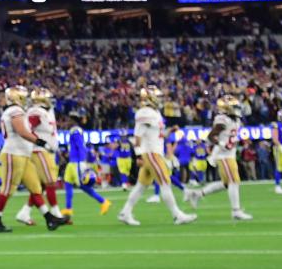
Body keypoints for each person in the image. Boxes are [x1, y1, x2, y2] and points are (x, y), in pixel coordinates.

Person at [0, 86, 67, 233]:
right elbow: (22, 131)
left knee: (35, 186)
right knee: (7, 189)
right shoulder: (15, 111)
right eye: (23, 97)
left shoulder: (18, 110)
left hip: (23, 154)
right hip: (14, 153)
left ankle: (49, 218)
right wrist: (41, 142)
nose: (27, 100)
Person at [117, 87, 196, 227]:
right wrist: (139, 155)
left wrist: (170, 130)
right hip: (151, 154)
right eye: (157, 97)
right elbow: (138, 136)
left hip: (153, 152)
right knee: (165, 183)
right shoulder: (145, 112)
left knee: (141, 187)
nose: (159, 99)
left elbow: (158, 134)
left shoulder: (155, 113)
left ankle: (125, 212)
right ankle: (177, 215)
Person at [185, 95, 251, 220]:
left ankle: (197, 194)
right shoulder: (222, 119)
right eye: (234, 106)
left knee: (227, 184)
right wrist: (222, 144)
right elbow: (211, 136)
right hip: (223, 154)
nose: (237, 108)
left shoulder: (235, 120)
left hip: (229, 154)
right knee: (234, 181)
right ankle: (235, 210)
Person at [15, 87, 62, 225]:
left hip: (45, 151)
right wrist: (41, 143)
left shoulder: (46, 111)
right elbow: (26, 130)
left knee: (38, 186)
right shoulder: (36, 112)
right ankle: (56, 213)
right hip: (38, 150)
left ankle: (24, 213)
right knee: (50, 182)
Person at [61, 110, 110, 217]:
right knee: (67, 184)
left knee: (82, 186)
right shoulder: (74, 130)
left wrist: (83, 161)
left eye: (69, 120)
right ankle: (68, 208)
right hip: (72, 162)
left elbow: (81, 147)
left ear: (74, 121)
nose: (67, 122)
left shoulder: (76, 131)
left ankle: (103, 201)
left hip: (77, 162)